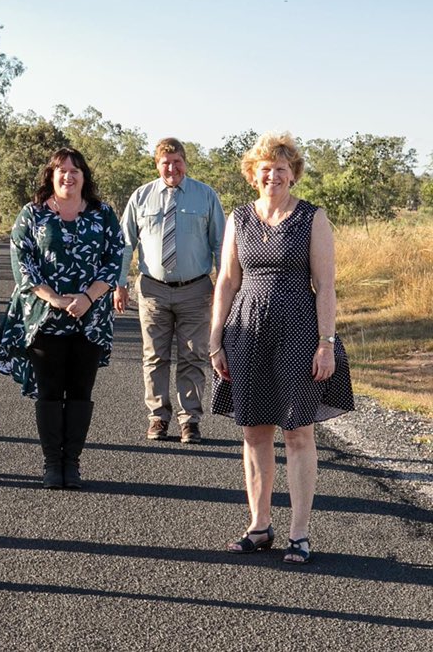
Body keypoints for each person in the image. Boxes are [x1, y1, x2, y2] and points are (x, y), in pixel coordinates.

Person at [210, 132, 353, 565]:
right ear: (254, 176)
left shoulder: (313, 217)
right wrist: (215, 339)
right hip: (247, 329)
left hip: (298, 330)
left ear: (293, 176)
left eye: (282, 169)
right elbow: (227, 282)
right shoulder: (238, 218)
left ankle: (299, 533)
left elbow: (325, 286)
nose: (273, 176)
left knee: (298, 432)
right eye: (266, 169)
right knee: (254, 431)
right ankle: (259, 526)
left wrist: (325, 343)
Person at [0, 148, 124, 489]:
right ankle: (52, 463)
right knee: (50, 391)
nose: (68, 175)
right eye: (61, 170)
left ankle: (72, 463)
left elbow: (115, 259)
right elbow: (23, 263)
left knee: (80, 390)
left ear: (84, 176)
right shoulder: (32, 214)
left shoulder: (102, 214)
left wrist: (87, 297)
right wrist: (56, 299)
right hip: (44, 318)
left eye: (75, 170)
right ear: (50, 176)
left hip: (90, 319)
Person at [114, 138, 225, 444]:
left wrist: (222, 286)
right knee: (154, 356)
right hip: (152, 291)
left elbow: (220, 244)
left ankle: (190, 420)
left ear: (185, 162)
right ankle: (158, 418)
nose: (172, 168)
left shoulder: (206, 196)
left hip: (196, 289)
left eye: (177, 162)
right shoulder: (141, 197)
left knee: (193, 355)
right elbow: (125, 244)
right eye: (166, 163)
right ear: (157, 164)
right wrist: (119, 282)